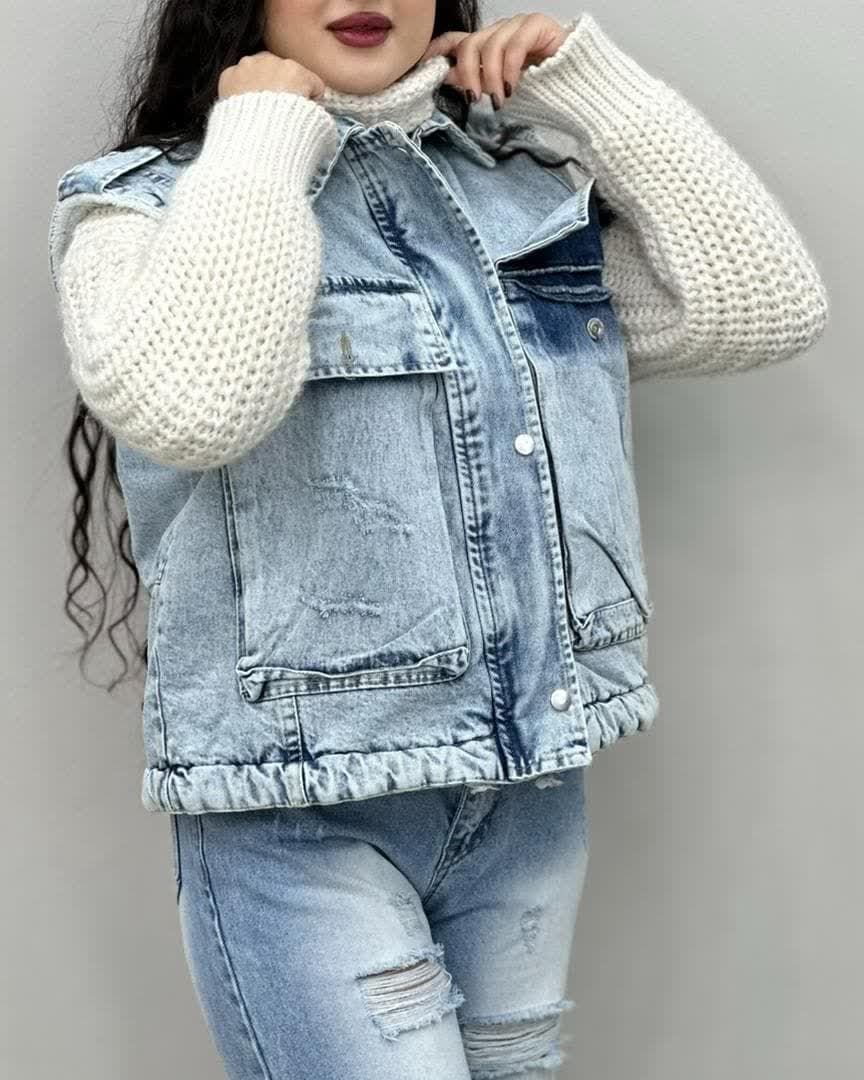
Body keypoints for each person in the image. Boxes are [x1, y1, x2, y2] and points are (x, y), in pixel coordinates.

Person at [47, 3, 829, 1077]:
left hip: (529, 796)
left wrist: (590, 90)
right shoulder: (146, 204)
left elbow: (760, 308)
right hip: (301, 818)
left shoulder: (516, 194)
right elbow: (193, 406)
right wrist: (262, 135)